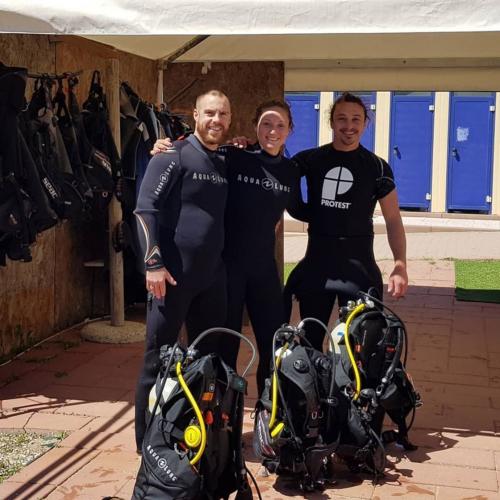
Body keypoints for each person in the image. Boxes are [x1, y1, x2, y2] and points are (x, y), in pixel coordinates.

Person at [152, 100, 306, 395]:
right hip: (228, 271)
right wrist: (167, 145)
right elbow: (197, 147)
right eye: (266, 124)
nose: (272, 131)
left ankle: (270, 418)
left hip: (264, 272)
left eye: (280, 125)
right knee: (225, 347)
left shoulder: (290, 171)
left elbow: (299, 209)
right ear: (255, 127)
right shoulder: (235, 156)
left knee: (274, 346)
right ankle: (225, 422)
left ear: (290, 130)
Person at [133, 89, 231, 451]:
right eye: (209, 113)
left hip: (211, 279)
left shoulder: (225, 159)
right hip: (171, 278)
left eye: (222, 114)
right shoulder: (172, 155)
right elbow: (145, 210)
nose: (216, 120)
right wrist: (153, 263)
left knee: (208, 359)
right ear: (194, 114)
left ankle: (193, 431)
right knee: (156, 359)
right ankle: (145, 442)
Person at [284, 91, 408, 353]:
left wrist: (400, 264)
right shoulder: (310, 160)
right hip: (317, 267)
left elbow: (394, 220)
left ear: (365, 124)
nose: (348, 126)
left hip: (359, 271)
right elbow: (272, 166)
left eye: (356, 119)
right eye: (341, 118)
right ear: (331, 122)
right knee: (309, 344)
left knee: (360, 349)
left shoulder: (377, 167)